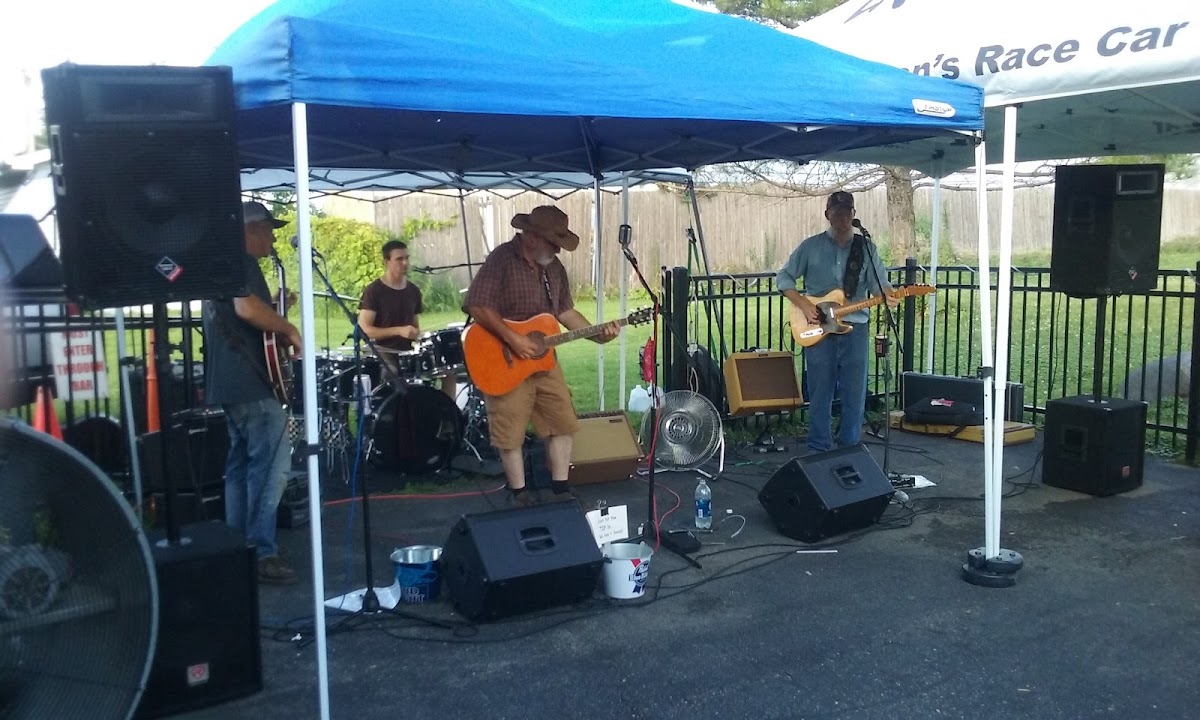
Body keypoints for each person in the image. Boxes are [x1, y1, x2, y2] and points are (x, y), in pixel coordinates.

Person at [464, 205, 619, 506]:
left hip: (544, 361)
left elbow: (565, 312)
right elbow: (477, 305)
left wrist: (599, 335)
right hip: (504, 358)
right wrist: (513, 339)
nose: (558, 250)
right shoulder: (502, 259)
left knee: (563, 422)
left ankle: (560, 489)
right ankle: (518, 494)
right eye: (553, 243)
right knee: (510, 430)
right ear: (531, 237)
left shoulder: (553, 268)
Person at [203, 201, 302, 585]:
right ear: (250, 229)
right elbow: (245, 309)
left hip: (228, 383)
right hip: (250, 382)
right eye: (268, 231)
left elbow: (242, 313)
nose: (273, 239)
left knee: (240, 466)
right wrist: (288, 328)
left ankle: (237, 546)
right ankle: (262, 551)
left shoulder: (222, 265)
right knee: (271, 467)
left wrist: (276, 308)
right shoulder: (241, 263)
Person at [777, 190, 899, 454]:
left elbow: (879, 283)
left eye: (846, 213)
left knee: (855, 392)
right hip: (818, 328)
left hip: (855, 328)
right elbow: (784, 278)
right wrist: (804, 305)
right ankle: (818, 448)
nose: (842, 218)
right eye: (837, 212)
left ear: (854, 215)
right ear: (827, 215)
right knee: (820, 390)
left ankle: (849, 448)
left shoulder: (866, 248)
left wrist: (888, 294)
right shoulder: (810, 247)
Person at [357, 240, 455, 397]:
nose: (405, 263)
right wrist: (398, 331)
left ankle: (446, 410)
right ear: (387, 261)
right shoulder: (374, 290)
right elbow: (365, 330)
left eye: (407, 258)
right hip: (381, 351)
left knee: (448, 371)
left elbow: (415, 326)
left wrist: (418, 336)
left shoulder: (413, 290)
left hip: (408, 352)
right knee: (392, 373)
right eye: (399, 259)